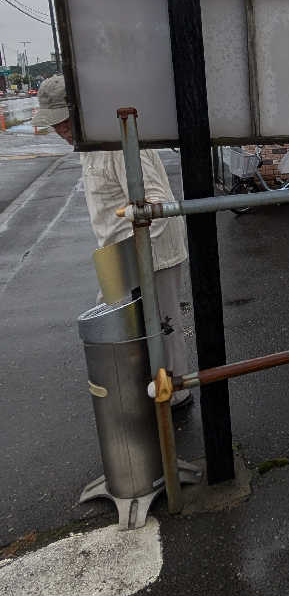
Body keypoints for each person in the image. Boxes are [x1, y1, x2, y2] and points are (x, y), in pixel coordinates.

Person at [34, 75, 192, 409]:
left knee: (162, 326)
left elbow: (157, 204)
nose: (60, 131)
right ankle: (152, 389)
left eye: (64, 122)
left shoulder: (115, 144)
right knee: (133, 327)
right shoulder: (90, 144)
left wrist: (136, 266)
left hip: (150, 254)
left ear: (82, 112)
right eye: (55, 125)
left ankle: (176, 396)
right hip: (122, 257)